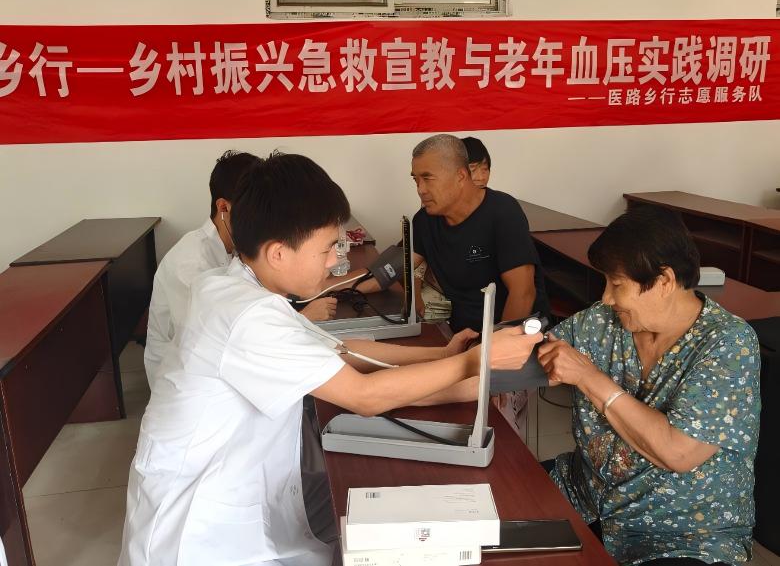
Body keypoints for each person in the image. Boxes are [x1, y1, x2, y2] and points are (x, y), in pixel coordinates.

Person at [118, 152, 542, 566]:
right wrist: (471, 363)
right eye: (325, 249)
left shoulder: (241, 286)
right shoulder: (247, 315)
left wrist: (441, 354)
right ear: (278, 253)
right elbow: (364, 396)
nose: (335, 261)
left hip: (234, 496)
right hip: (198, 535)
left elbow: (341, 350)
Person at [537, 205, 761, 566]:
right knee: (493, 505)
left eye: (617, 284)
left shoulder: (729, 343)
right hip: (587, 498)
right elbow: (527, 359)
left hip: (682, 536)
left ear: (664, 281)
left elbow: (678, 452)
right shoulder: (603, 321)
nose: (606, 297)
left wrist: (588, 377)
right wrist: (454, 364)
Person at [144, 150, 337, 389]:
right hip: (187, 377)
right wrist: (303, 317)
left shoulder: (239, 248)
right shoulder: (190, 264)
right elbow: (213, 339)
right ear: (223, 207)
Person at [409, 133, 549, 332]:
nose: (420, 189)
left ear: (460, 176)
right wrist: (356, 283)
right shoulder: (424, 220)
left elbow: (523, 293)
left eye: (427, 178)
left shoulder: (503, 212)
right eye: (416, 180)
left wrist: (495, 347)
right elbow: (400, 265)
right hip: (463, 336)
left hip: (515, 336)